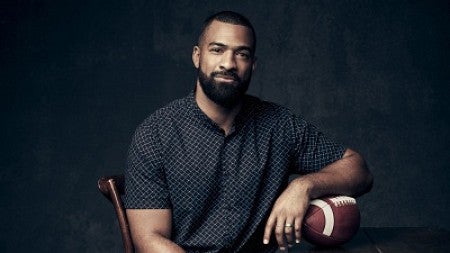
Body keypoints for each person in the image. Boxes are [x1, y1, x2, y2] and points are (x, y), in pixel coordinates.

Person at [124, 11, 373, 253]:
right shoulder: (155, 134)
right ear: (197, 56)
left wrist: (304, 186)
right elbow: (149, 239)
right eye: (217, 50)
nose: (229, 64)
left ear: (252, 65)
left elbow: (358, 169)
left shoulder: (279, 125)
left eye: (241, 54)